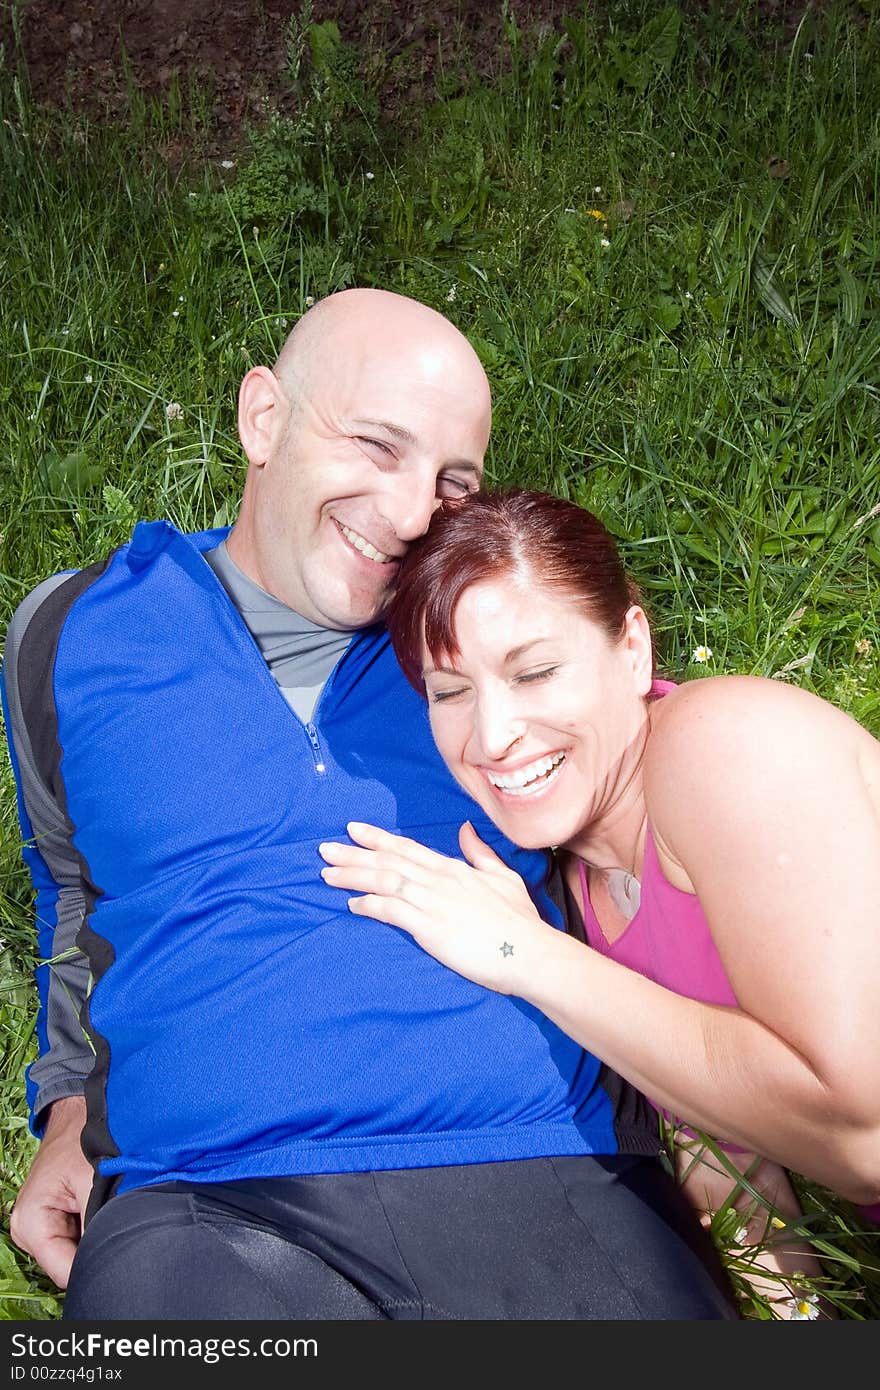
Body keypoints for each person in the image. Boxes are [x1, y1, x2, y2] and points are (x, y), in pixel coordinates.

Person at [0, 291, 739, 1321]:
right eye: (374, 446)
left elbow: (633, 843)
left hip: (550, 1167)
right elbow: (76, 890)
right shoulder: (69, 632)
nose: (406, 516)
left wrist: (712, 1125)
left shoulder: (485, 641)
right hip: (205, 1211)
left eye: (451, 481)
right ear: (264, 418)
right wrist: (71, 1105)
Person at [318, 486, 880, 1317]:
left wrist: (528, 957)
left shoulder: (724, 747)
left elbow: (866, 1137)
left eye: (535, 670)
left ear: (631, 647)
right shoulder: (585, 887)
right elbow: (717, 1136)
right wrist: (803, 1318)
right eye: (450, 691)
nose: (492, 734)